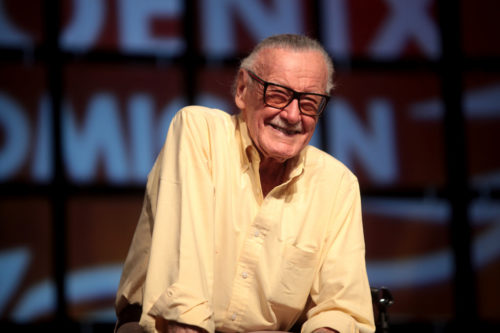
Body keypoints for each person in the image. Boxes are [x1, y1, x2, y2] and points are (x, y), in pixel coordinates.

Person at [115, 34, 375, 333]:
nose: (292, 115)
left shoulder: (337, 183)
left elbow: (340, 309)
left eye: (309, 102)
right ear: (242, 89)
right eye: (277, 94)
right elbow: (181, 296)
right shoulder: (199, 132)